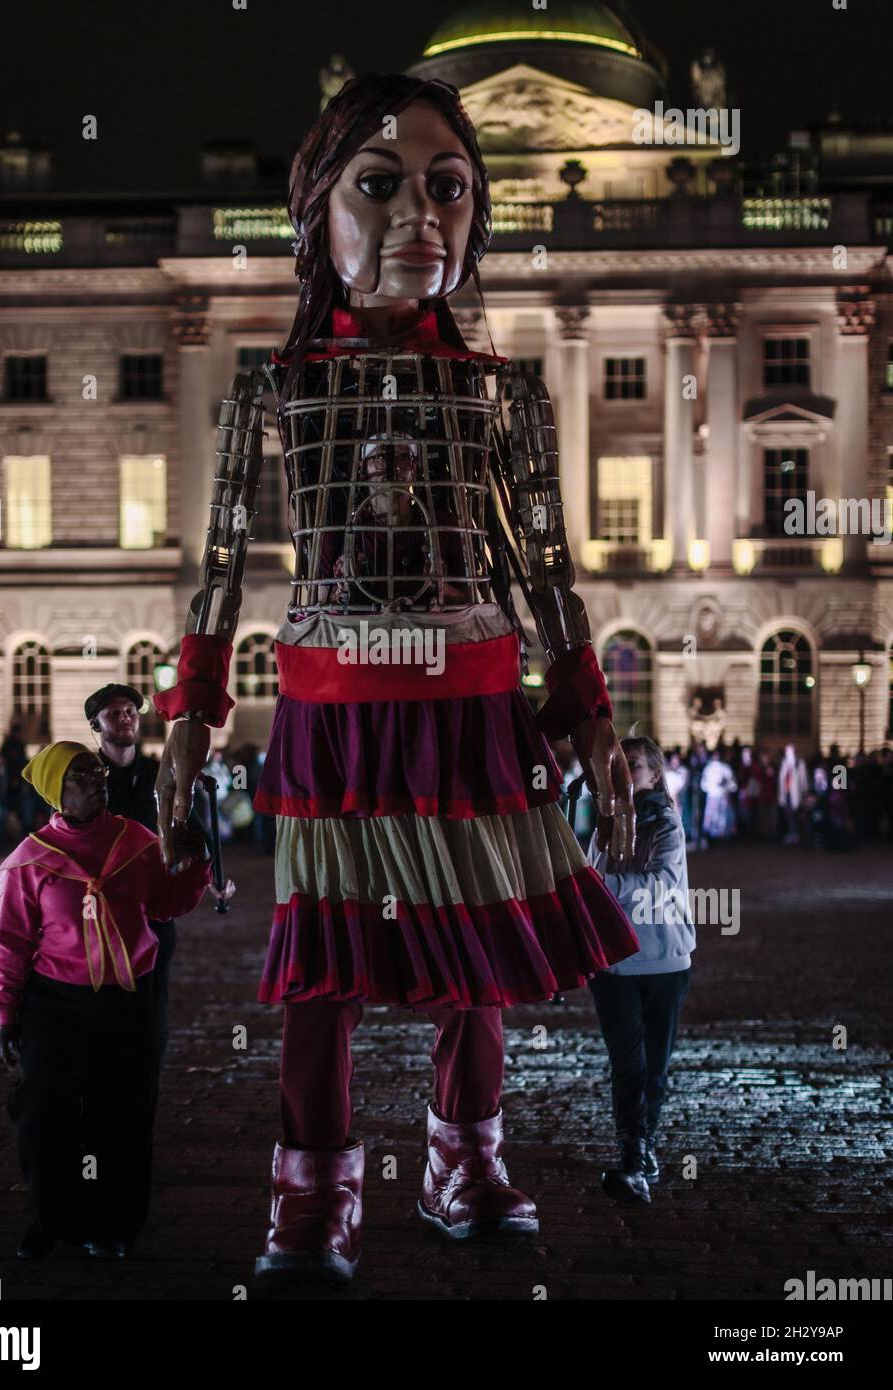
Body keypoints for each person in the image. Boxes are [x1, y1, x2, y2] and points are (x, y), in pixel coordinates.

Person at [152, 73, 639, 1285]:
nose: (421, 213)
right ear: (317, 209)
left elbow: (543, 564)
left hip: (473, 701)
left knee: (475, 967)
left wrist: (589, 715)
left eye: (448, 186)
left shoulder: (504, 391)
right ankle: (313, 1191)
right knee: (321, 974)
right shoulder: (271, 386)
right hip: (332, 706)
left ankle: (459, 1159)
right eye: (380, 184)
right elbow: (218, 565)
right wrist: (189, 714)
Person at [0, 741, 209, 1260]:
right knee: (45, 1113)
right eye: (81, 774)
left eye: (97, 770)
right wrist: (5, 1012)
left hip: (128, 1001)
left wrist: (196, 864)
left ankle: (116, 1225)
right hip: (54, 1005)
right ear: (55, 792)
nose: (97, 779)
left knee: (124, 1112)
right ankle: (54, 1215)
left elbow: (167, 903)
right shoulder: (31, 860)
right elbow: (11, 942)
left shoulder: (135, 840)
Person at [85, 683, 234, 1066]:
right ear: (95, 725)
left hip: (153, 905)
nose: (125, 717)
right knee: (103, 990)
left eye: (130, 711)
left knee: (151, 996)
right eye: (113, 713)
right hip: (103, 907)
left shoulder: (159, 772)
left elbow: (195, 826)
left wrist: (216, 878)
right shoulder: (86, 779)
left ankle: (146, 1059)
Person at [587, 735, 694, 1205]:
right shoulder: (604, 823)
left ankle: (644, 1147)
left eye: (633, 764)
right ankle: (633, 1156)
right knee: (628, 1065)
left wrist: (600, 884)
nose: (625, 772)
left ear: (654, 773)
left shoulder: (666, 823)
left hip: (665, 958)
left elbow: (662, 885)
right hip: (613, 963)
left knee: (654, 1065)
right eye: (617, 764)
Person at [700, 746, 737, 843]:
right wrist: (713, 786)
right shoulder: (709, 768)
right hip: (712, 797)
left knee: (723, 818)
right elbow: (703, 784)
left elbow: (733, 784)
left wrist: (725, 784)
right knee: (712, 818)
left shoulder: (726, 768)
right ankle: (710, 837)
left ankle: (724, 837)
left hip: (723, 797)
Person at [778, 742, 808, 845]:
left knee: (796, 815)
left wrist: (805, 792)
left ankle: (797, 835)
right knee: (788, 815)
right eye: (787, 751)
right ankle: (792, 834)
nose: (788, 752)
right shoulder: (784, 763)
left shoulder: (800, 762)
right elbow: (781, 779)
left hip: (796, 794)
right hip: (786, 793)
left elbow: (803, 780)